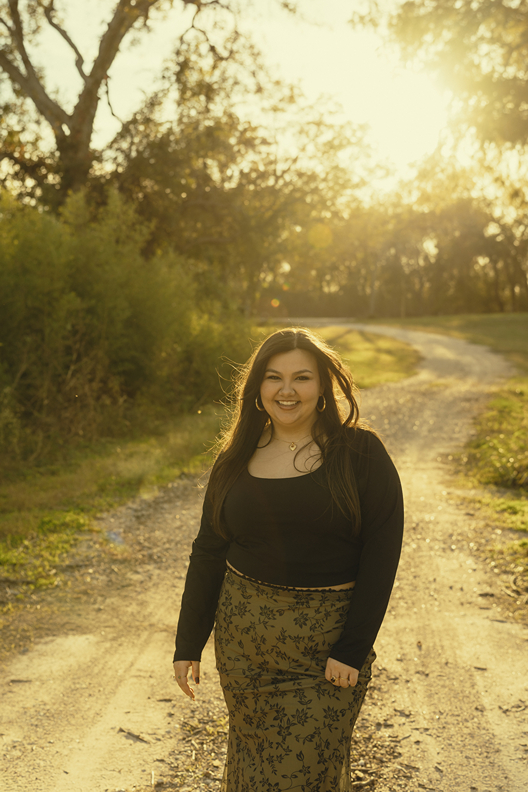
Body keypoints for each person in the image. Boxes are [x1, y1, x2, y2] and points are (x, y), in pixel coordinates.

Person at [173, 326, 404, 792]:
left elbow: (383, 551)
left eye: (302, 377)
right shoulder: (235, 459)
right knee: (253, 770)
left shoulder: (361, 453)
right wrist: (187, 642)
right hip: (245, 648)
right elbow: (209, 551)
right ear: (258, 388)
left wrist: (352, 648)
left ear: (322, 387)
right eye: (274, 377)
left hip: (325, 649)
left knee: (305, 773)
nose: (287, 390)